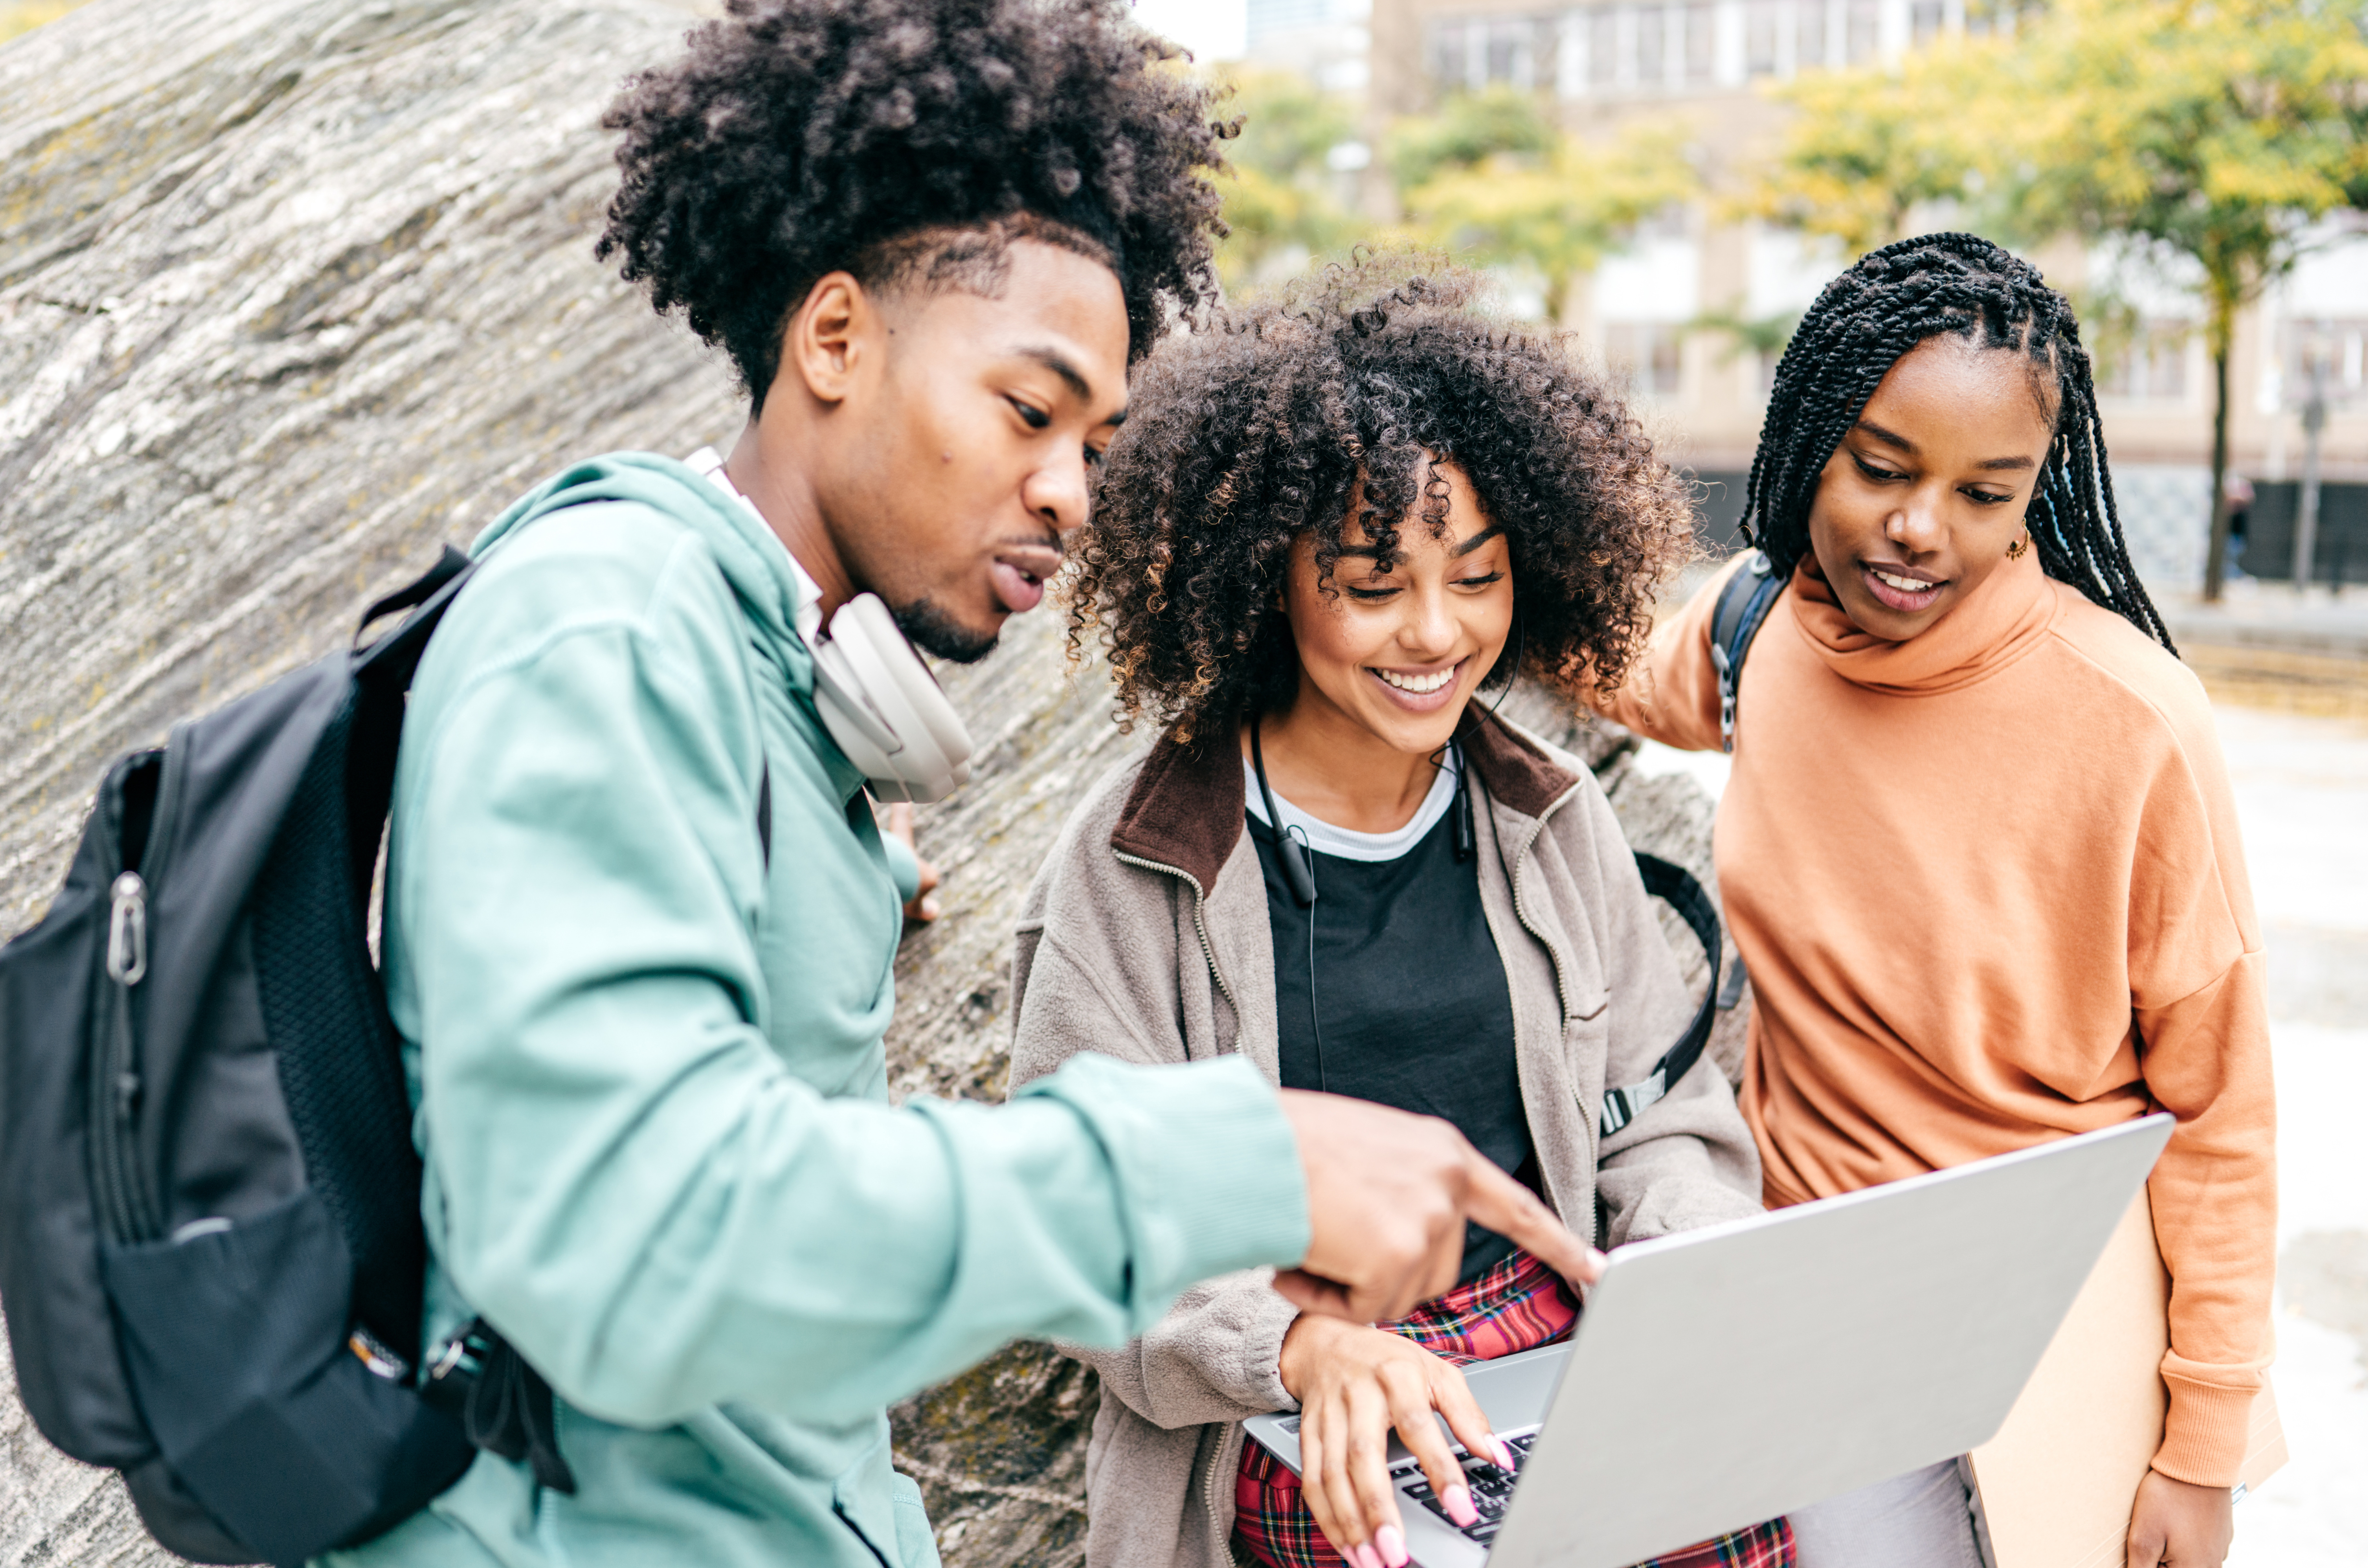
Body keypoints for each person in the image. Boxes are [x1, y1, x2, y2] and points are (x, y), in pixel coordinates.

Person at [326, 9, 1596, 1567]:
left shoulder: (764, 698)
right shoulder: (608, 632)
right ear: (837, 338)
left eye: (1098, 440)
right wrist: (1236, 1163)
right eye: (1028, 411)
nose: (1072, 491)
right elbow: (631, 1255)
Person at [1008, 265, 1792, 1568]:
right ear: (1267, 582)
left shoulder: (1550, 818)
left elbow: (1664, 1123)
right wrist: (1303, 1348)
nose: (1436, 633)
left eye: (1477, 577)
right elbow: (1084, 1222)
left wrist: (1677, 1284)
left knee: (1741, 1508)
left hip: (1558, 1335)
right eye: (1373, 586)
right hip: (1285, 1382)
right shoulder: (1135, 868)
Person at [1587, 234, 2274, 1568]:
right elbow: (1581, 651)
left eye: (1983, 492)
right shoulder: (1761, 635)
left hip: (2041, 1349)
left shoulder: (2135, 722)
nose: (1919, 530)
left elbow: (2222, 1110)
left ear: (2037, 497)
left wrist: (2208, 1445)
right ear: (1805, 445)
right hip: (1794, 1307)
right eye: (1882, 469)